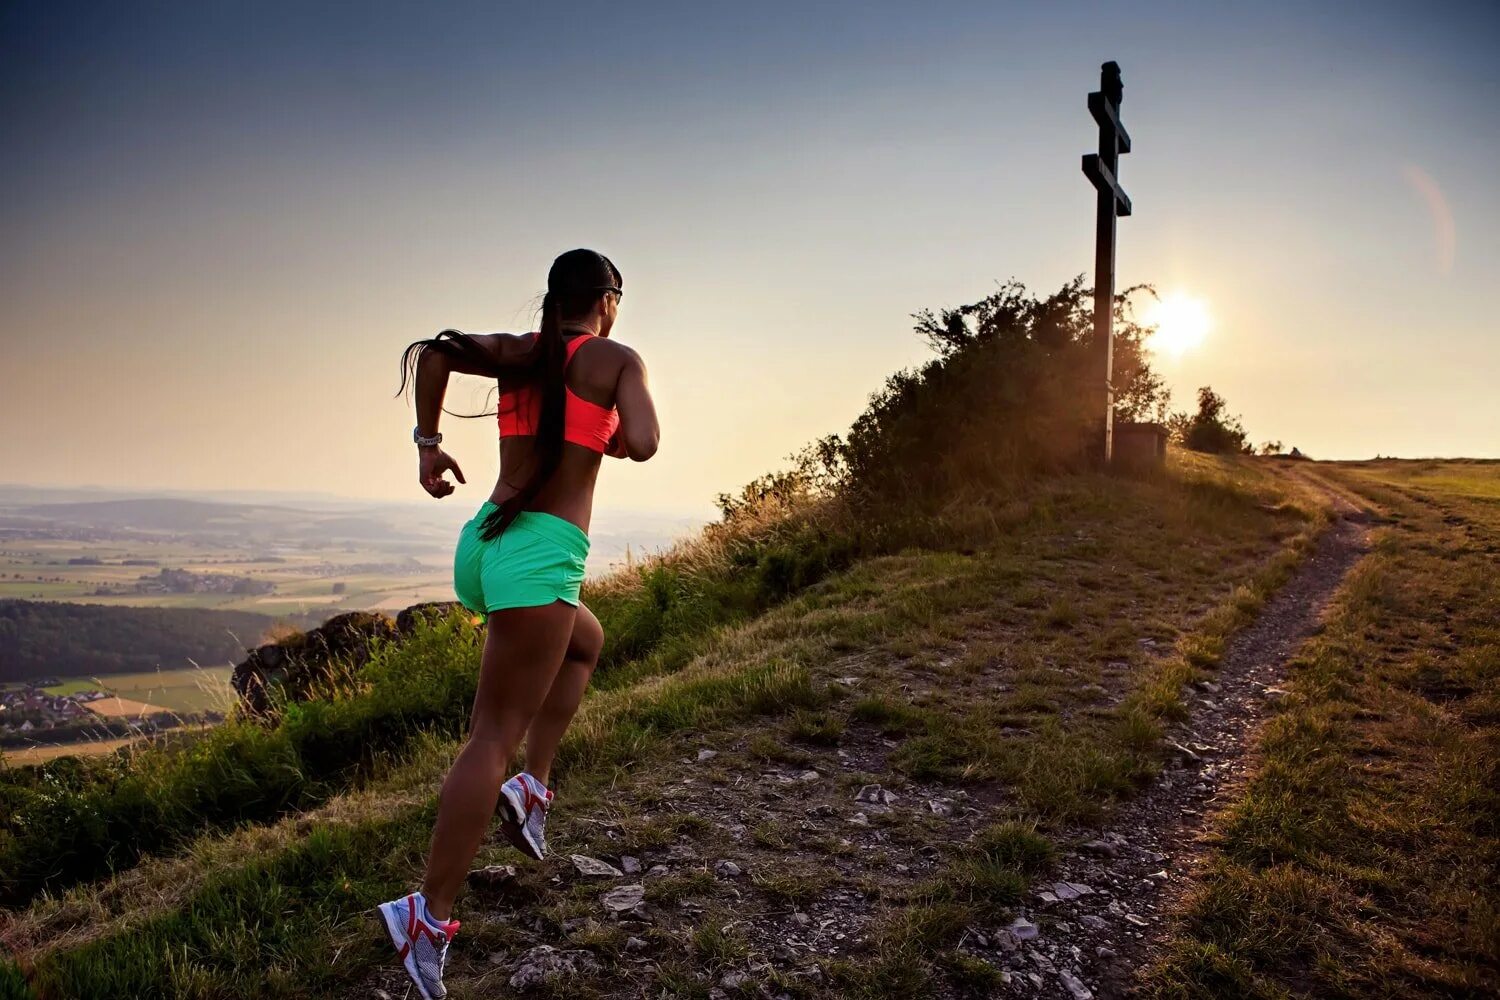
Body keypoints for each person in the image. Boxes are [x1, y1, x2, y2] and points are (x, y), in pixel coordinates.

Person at [378, 249, 658, 1000]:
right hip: (539, 558)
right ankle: (425, 916)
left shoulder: (524, 353)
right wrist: (612, 433)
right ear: (607, 298)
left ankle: (533, 786)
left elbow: (434, 353)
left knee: (584, 642)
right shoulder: (616, 358)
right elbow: (646, 441)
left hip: (487, 542)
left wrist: (429, 445)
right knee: (489, 737)